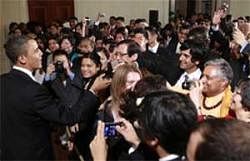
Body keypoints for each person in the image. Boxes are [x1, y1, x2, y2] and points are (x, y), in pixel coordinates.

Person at [0, 36, 110, 160]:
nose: (42, 53)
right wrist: (92, 91)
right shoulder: (34, 90)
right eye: (36, 51)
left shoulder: (3, 81)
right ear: (22, 58)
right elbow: (69, 116)